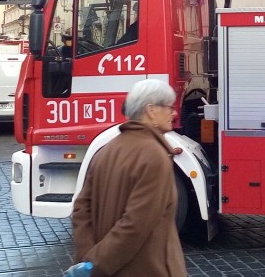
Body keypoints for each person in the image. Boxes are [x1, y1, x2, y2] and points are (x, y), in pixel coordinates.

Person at [71, 79, 187, 276]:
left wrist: (87, 258)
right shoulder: (154, 155)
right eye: (169, 107)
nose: (174, 113)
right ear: (151, 111)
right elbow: (135, 224)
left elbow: (81, 209)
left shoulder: (106, 150)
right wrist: (95, 265)